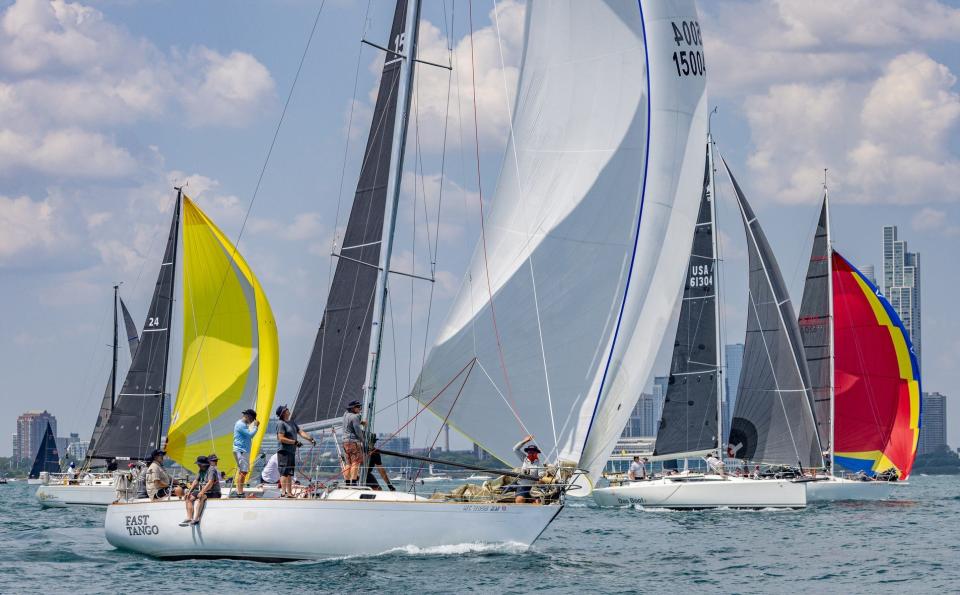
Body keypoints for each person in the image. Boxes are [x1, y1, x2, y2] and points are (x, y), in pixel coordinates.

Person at [275, 405, 316, 498]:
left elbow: (300, 432)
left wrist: (310, 439)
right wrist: (295, 442)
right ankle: (283, 493)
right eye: (286, 409)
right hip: (283, 451)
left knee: (289, 472)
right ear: (283, 413)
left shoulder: (292, 422)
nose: (288, 410)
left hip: (291, 451)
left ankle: (289, 493)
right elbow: (280, 438)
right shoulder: (281, 423)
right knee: (284, 472)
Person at [180, 455, 221, 526]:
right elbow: (196, 481)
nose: (198, 465)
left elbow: (210, 483)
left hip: (214, 492)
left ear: (204, 464)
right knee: (188, 497)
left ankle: (196, 519)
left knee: (200, 497)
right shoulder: (201, 470)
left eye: (199, 464)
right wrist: (189, 491)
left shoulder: (211, 469)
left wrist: (202, 492)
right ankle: (189, 518)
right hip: (205, 491)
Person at [232, 408, 260, 498]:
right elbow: (250, 435)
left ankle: (239, 491)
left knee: (243, 471)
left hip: (242, 450)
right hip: (241, 450)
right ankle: (239, 492)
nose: (252, 421)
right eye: (252, 419)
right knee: (243, 471)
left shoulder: (243, 424)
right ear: (248, 416)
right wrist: (256, 426)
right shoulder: (241, 425)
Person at [511, 435, 545, 504]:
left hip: (533, 487)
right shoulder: (524, 459)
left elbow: (541, 476)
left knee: (538, 502)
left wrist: (540, 480)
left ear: (536, 453)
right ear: (527, 452)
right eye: (529, 452)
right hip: (522, 486)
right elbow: (515, 449)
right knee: (519, 500)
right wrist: (525, 441)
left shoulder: (539, 464)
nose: (531, 453)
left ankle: (532, 506)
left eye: (533, 452)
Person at [341, 400, 366, 486]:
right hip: (353, 442)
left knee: (348, 463)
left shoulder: (345, 415)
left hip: (344, 442)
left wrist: (360, 422)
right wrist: (363, 440)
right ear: (353, 408)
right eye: (358, 407)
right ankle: (354, 483)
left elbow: (351, 422)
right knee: (356, 462)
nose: (360, 408)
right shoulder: (354, 417)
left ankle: (347, 483)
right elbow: (358, 431)